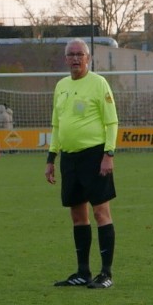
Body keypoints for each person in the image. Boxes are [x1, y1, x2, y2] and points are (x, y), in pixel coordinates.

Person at [45, 39, 119, 289]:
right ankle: (83, 272)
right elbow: (57, 124)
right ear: (65, 59)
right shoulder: (61, 86)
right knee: (78, 215)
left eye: (80, 54)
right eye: (71, 55)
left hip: (94, 155)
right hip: (69, 158)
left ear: (88, 58)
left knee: (100, 212)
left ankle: (106, 273)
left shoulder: (99, 84)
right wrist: (51, 158)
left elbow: (112, 122)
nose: (75, 59)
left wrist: (109, 153)